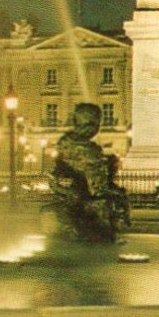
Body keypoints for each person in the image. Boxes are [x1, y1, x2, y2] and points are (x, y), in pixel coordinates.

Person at [47, 103, 129, 242]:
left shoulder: (65, 142)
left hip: (77, 191)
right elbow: (97, 188)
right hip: (86, 195)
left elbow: (56, 173)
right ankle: (105, 236)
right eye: (95, 122)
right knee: (118, 199)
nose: (97, 127)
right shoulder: (90, 150)